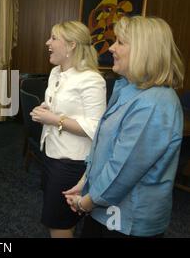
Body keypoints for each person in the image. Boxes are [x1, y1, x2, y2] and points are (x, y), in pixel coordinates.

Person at [64, 16, 185, 238]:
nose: (111, 47)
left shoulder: (154, 104)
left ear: (143, 50)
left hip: (127, 221)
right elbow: (103, 147)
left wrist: (85, 203)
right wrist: (84, 183)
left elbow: (123, 170)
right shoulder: (128, 88)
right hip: (105, 208)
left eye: (120, 42)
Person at [30, 21, 106, 238]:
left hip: (71, 162)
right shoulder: (55, 72)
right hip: (51, 153)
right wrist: (46, 109)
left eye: (54, 38)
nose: (48, 42)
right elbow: (62, 108)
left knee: (58, 224)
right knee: (63, 218)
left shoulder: (91, 80)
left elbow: (95, 127)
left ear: (72, 45)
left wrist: (53, 119)